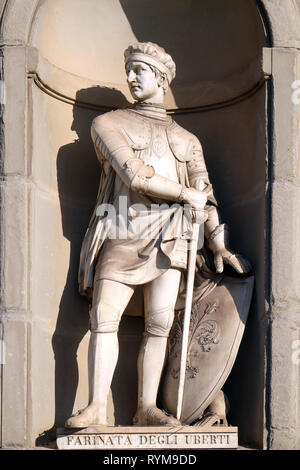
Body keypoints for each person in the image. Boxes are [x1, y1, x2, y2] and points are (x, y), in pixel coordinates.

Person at [65, 42, 250, 428]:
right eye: (129, 69)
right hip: (123, 228)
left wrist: (217, 240)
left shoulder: (188, 140)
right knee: (104, 317)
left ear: (162, 78)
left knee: (160, 325)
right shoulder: (108, 123)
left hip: (173, 237)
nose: (131, 76)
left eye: (140, 70)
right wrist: (187, 195)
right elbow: (134, 174)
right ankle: (97, 405)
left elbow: (207, 192)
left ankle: (146, 407)